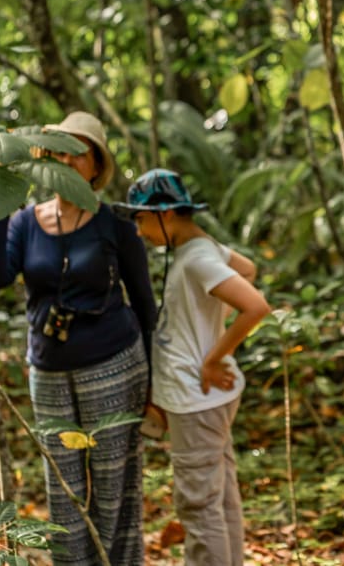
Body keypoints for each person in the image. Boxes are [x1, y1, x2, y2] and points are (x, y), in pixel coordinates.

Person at [0, 111, 157, 565]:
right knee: (63, 492)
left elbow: (144, 305)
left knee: (113, 487)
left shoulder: (116, 223)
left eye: (79, 152)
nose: (67, 159)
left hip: (116, 366)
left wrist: (156, 387)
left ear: (96, 165)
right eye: (59, 150)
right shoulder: (24, 222)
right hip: (49, 372)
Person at [118, 168, 271, 566]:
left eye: (141, 219)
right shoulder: (201, 249)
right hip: (203, 399)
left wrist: (213, 356)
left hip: (197, 399)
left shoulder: (197, 258)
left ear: (166, 214)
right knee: (219, 498)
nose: (138, 231)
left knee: (199, 508)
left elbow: (255, 305)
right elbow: (249, 268)